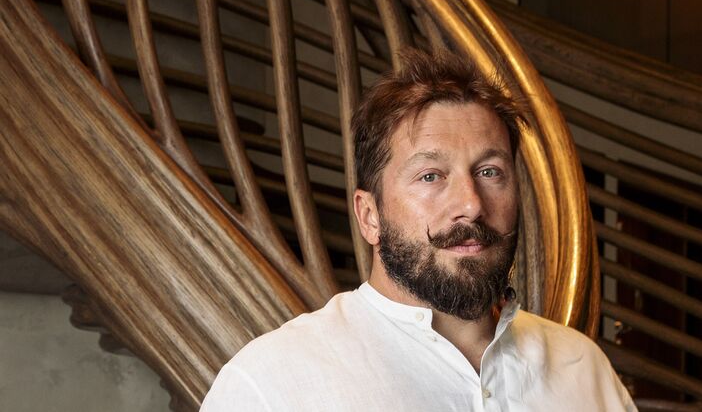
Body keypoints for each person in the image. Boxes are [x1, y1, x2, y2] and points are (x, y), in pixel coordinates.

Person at [200, 49, 636, 411]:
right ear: (369, 215)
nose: (471, 204)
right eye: (430, 176)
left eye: (489, 171)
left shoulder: (585, 370)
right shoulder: (269, 386)